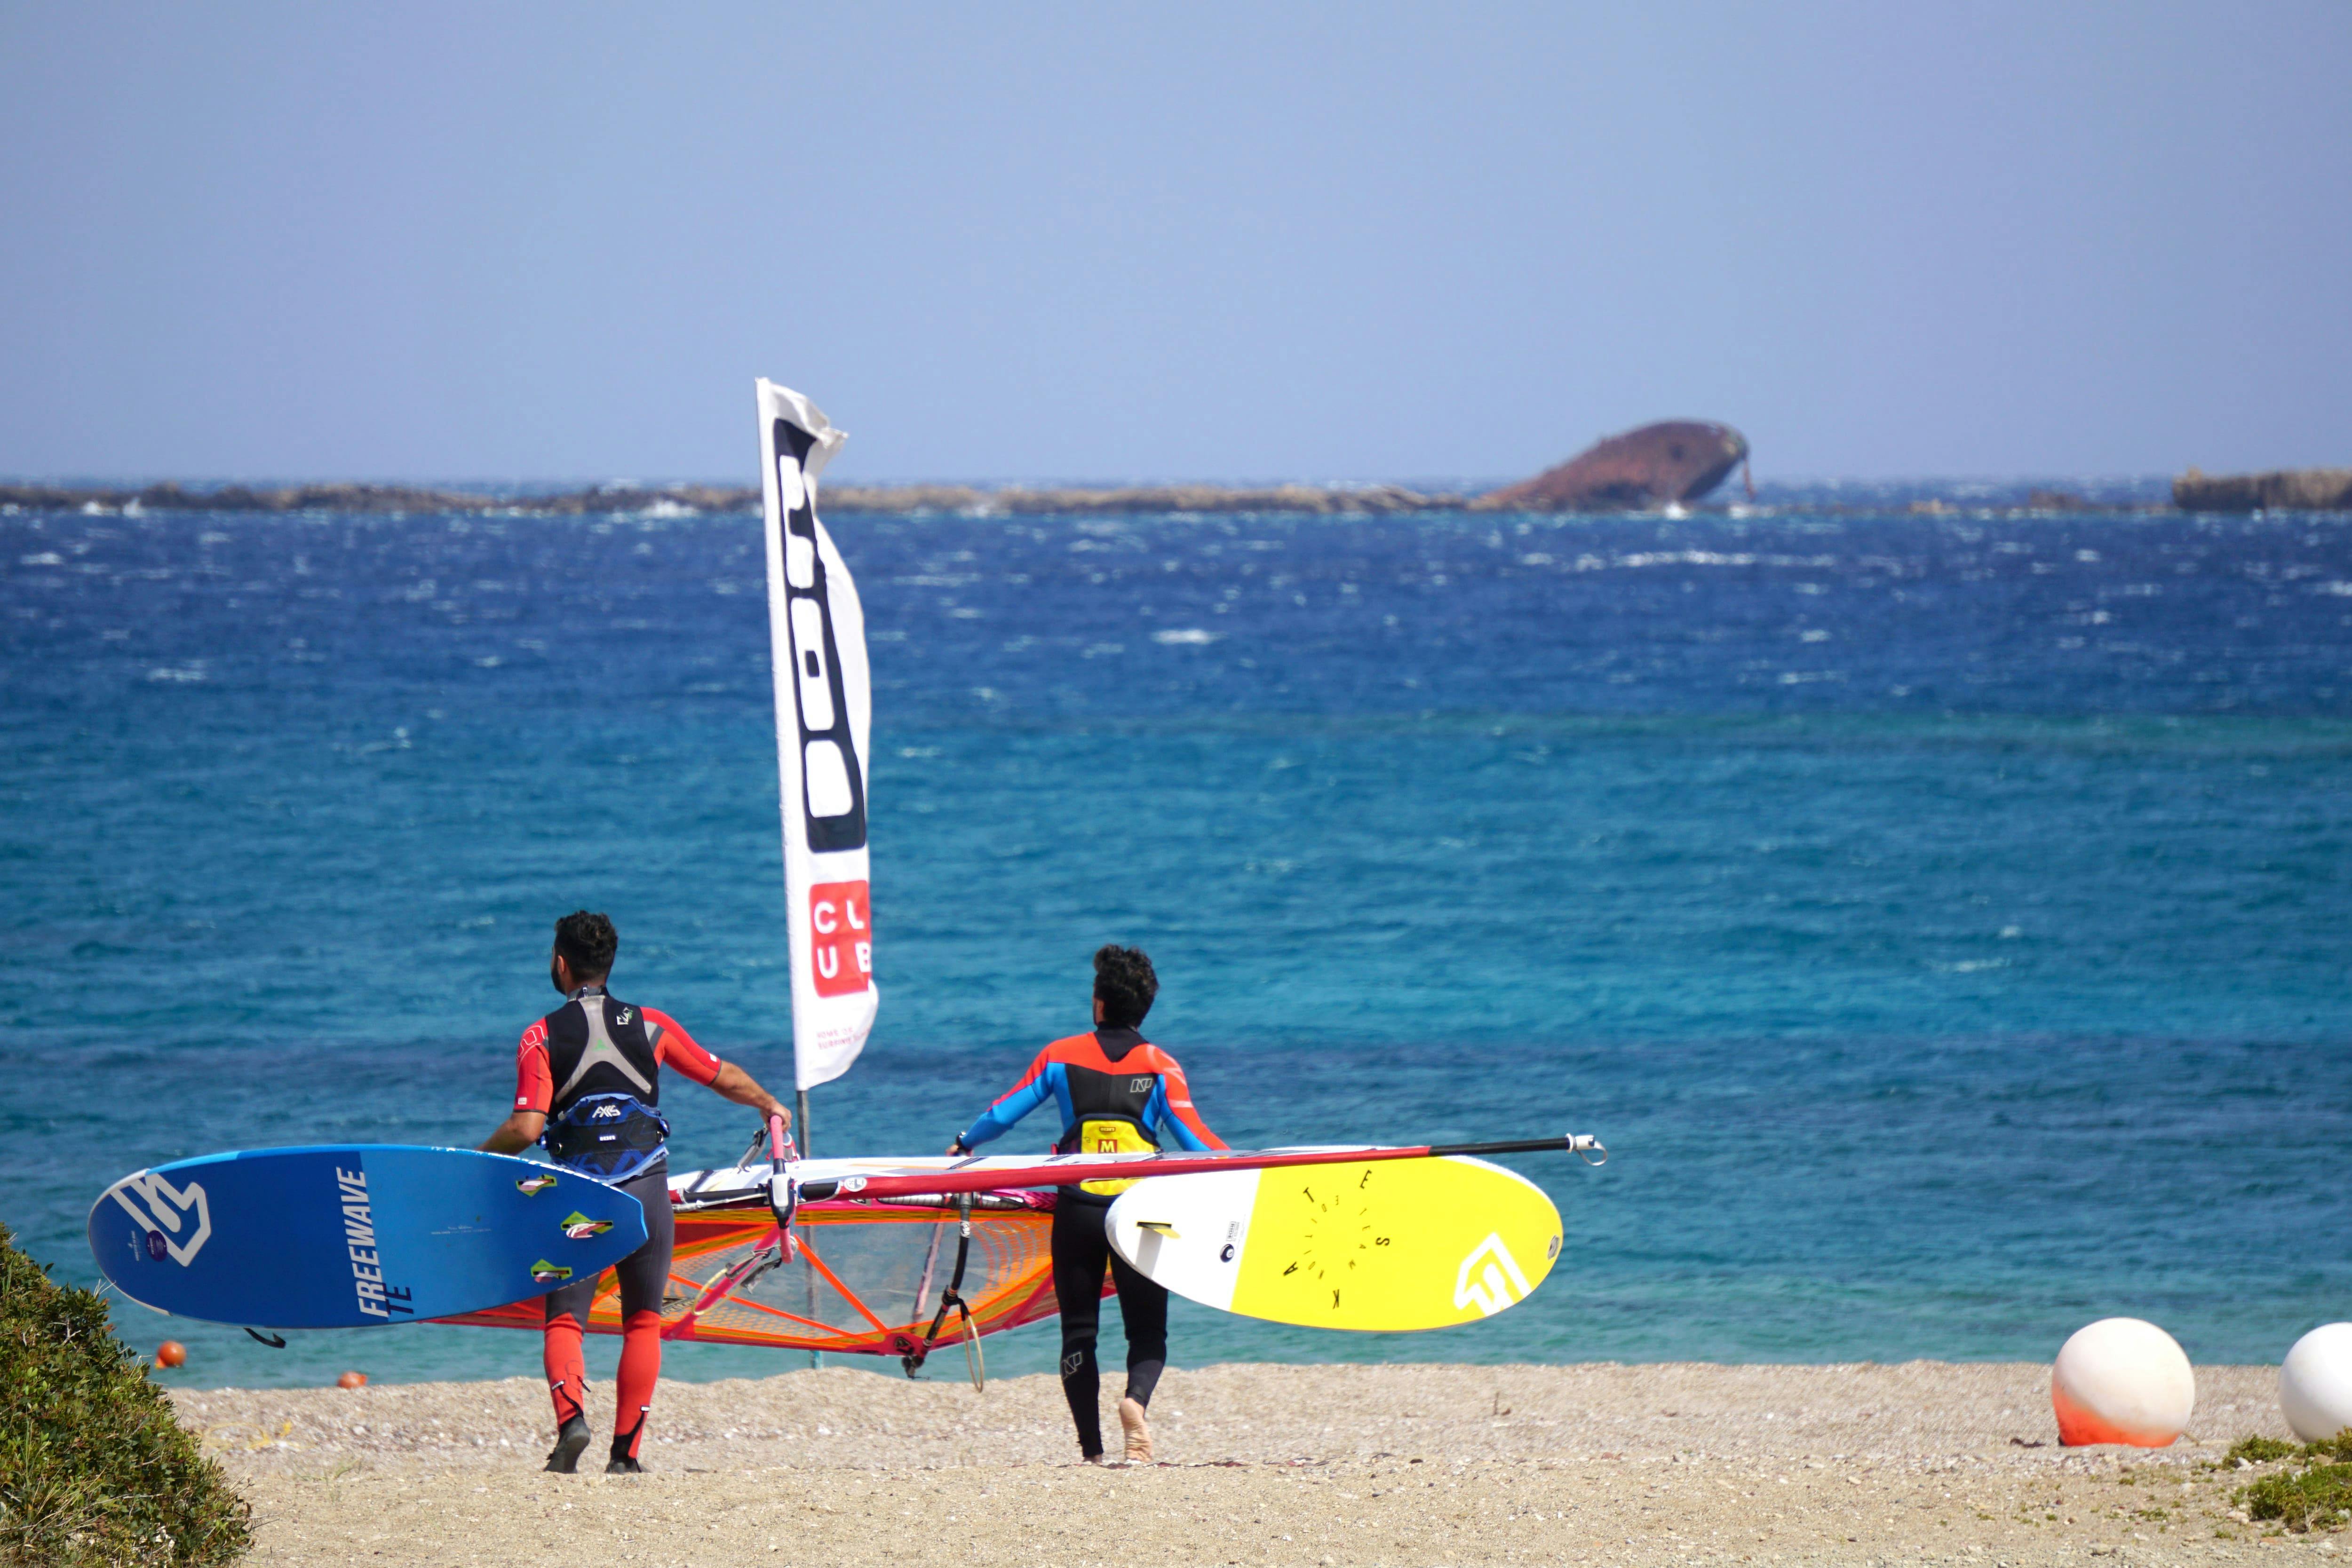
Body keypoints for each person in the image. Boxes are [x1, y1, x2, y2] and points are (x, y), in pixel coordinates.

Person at [478, 911, 790, 1475]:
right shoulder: (653, 1027)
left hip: (579, 1197)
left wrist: (477, 1161)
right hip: (645, 1188)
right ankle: (626, 1456)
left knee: (565, 1320)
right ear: (610, 963)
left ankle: (572, 1424)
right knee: (643, 1320)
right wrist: (768, 1104)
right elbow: (719, 1074)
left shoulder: (540, 1036)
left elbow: (526, 1128)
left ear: (560, 963)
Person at [947, 945, 1224, 1465]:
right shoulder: (1160, 1066)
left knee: (1079, 1329)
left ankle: (1091, 1452)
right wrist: (1248, 1169)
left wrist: (965, 1143)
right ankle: (1134, 1402)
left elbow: (1003, 1113)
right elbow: (1197, 1140)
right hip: (1141, 1206)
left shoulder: (1059, 1055)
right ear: (1143, 1008)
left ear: (1099, 1004)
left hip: (1076, 1204)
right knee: (1147, 1331)